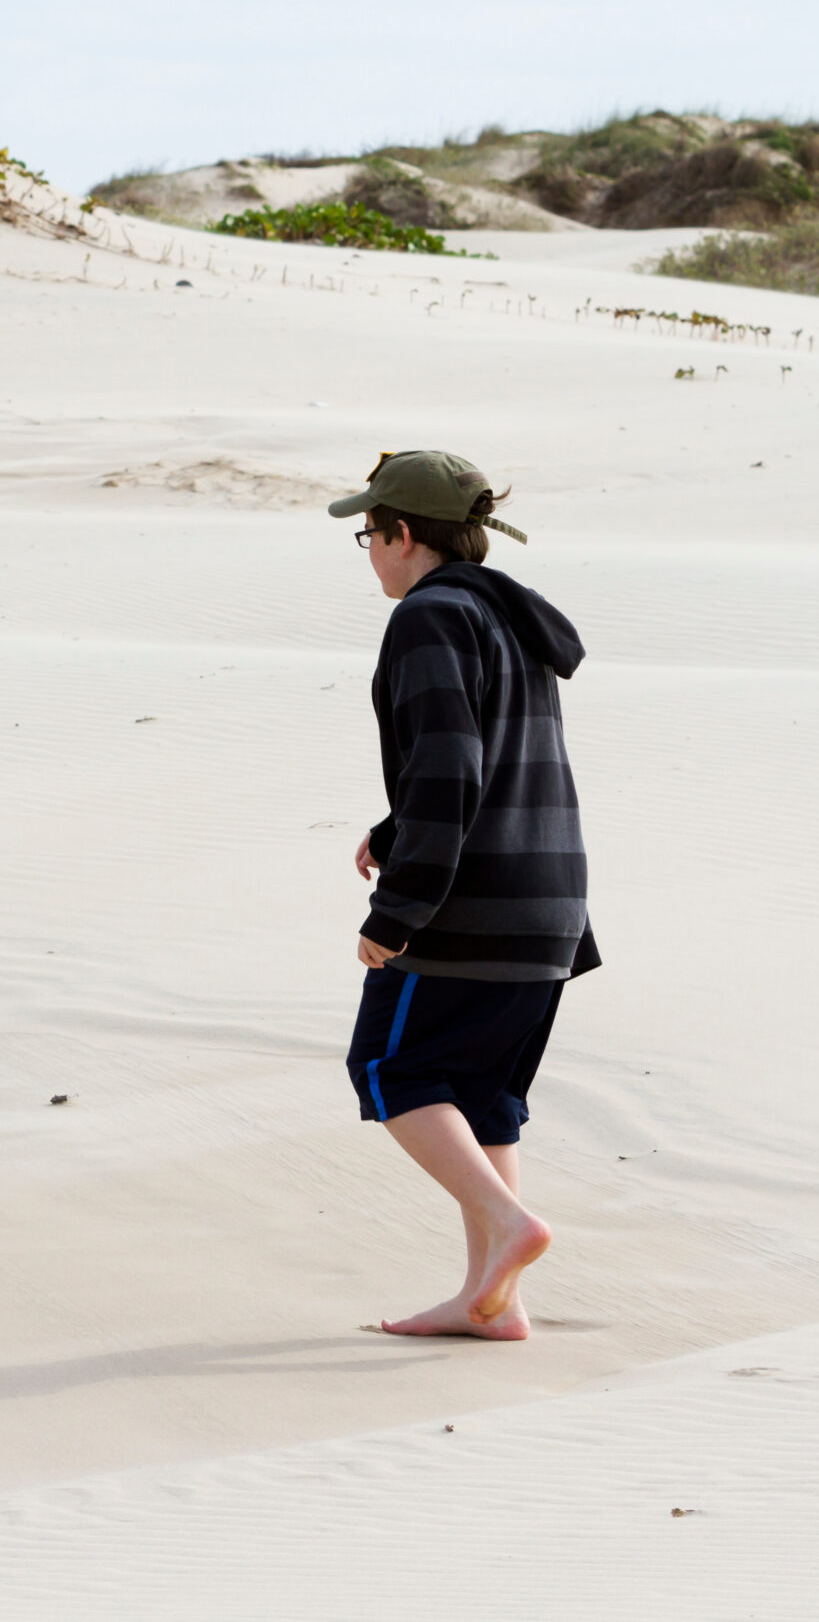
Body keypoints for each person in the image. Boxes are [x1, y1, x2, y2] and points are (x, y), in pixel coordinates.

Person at [328, 451, 599, 1341]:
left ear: (405, 535)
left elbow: (449, 771)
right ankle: (495, 1299)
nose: (369, 550)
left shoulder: (429, 621)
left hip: (468, 912)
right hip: (549, 908)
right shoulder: (506, 618)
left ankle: (511, 1228)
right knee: (480, 1091)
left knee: (391, 1065)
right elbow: (488, 765)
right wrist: (396, 832)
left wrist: (396, 913)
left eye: (371, 533)